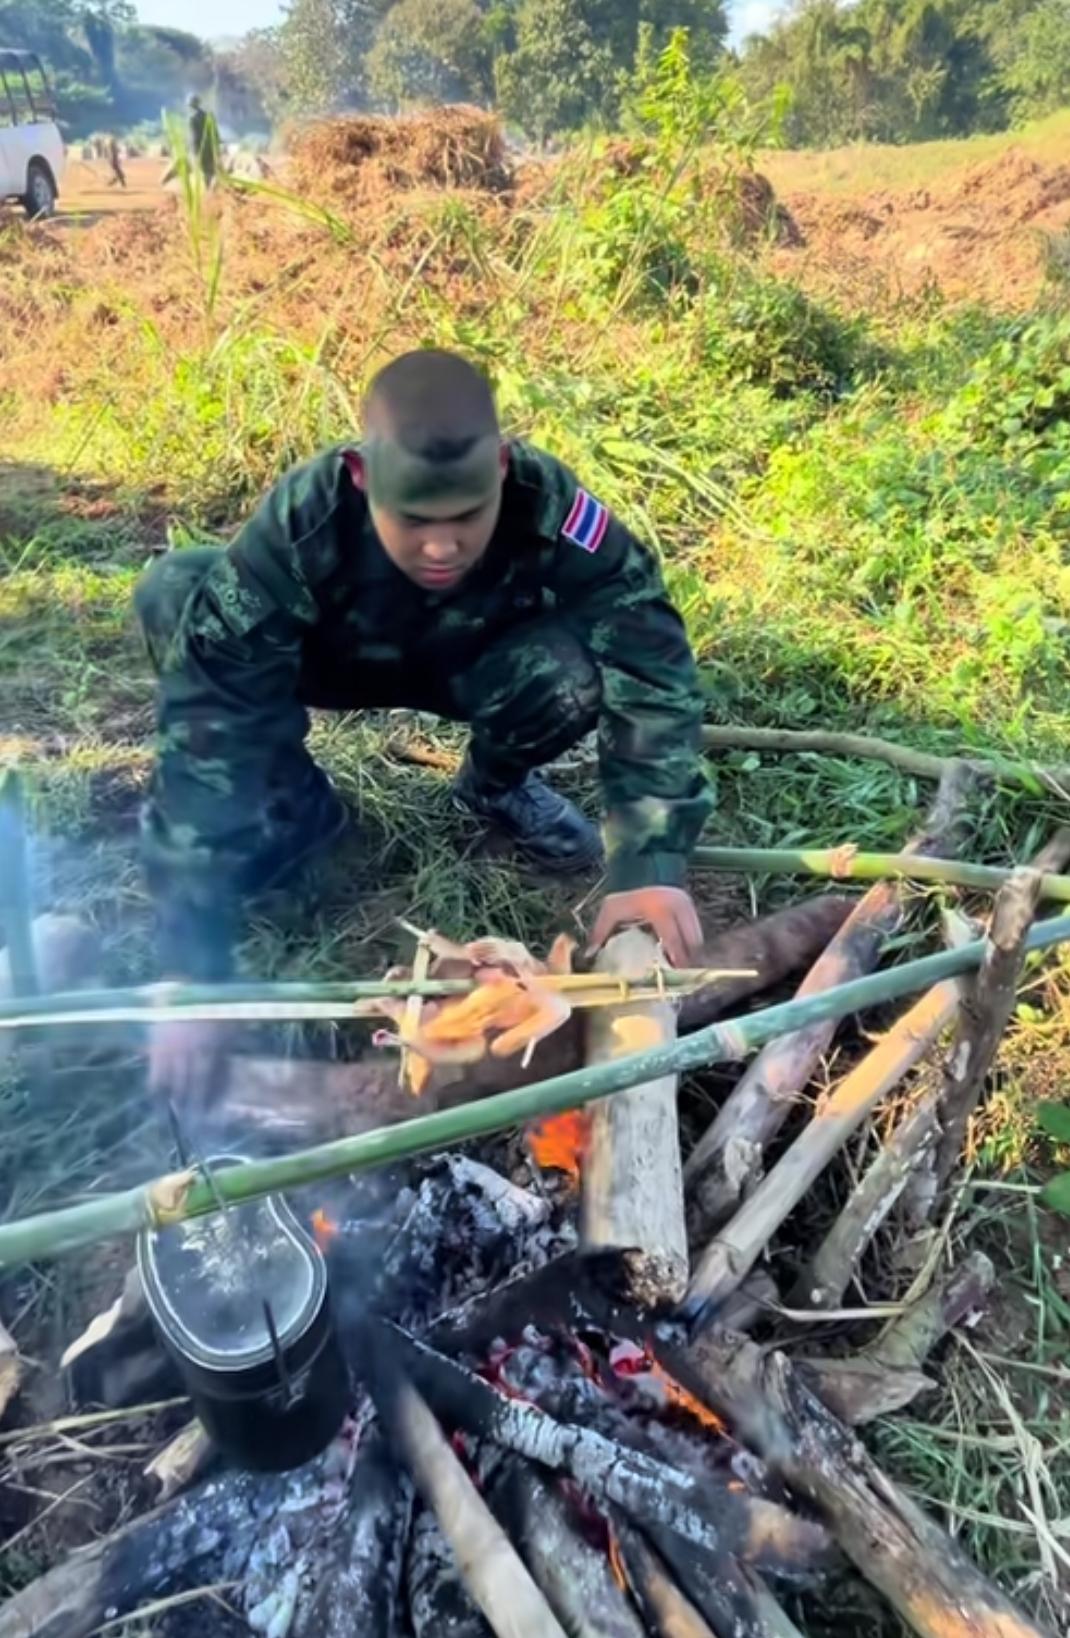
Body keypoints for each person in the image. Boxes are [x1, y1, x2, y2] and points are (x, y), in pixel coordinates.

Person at [136, 349, 713, 1098]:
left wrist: (649, 862)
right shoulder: (302, 518)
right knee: (178, 593)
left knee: (576, 673)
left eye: (467, 516)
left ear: (501, 467)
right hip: (334, 655)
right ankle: (300, 811)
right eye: (413, 519)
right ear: (361, 476)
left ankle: (495, 788)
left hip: (474, 664)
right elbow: (211, 714)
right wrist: (190, 959)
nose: (441, 547)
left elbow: (650, 660)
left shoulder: (550, 504)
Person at [187, 94, 219, 187]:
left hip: (201, 149)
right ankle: (213, 189)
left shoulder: (192, 119)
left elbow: (194, 137)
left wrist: (195, 152)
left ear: (191, 105)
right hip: (210, 148)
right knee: (211, 170)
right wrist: (216, 146)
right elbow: (215, 133)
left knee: (203, 171)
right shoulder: (208, 116)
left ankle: (208, 189)